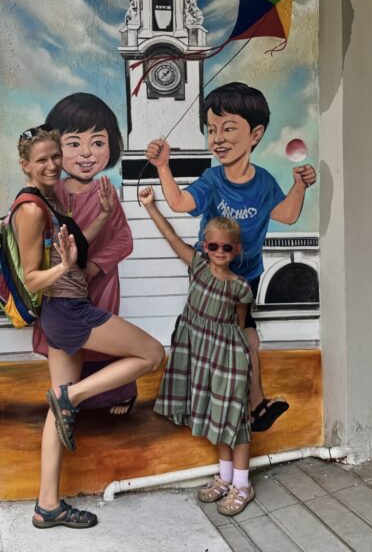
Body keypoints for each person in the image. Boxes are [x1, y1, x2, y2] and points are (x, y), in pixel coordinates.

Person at [13, 126, 164, 530]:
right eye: (41, 159)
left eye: (53, 157)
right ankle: (72, 395)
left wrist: (100, 216)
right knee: (152, 355)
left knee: (57, 408)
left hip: (65, 312)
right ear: (25, 164)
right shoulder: (30, 209)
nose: (51, 165)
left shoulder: (50, 201)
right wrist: (62, 268)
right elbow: (31, 278)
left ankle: (47, 506)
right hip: (69, 313)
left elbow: (78, 246)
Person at [146, 82, 316, 431]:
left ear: (255, 134)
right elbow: (180, 204)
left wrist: (300, 185)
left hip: (246, 279)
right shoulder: (212, 179)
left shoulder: (265, 181)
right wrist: (164, 167)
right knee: (234, 339)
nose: (217, 138)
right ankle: (246, 407)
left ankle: (251, 407)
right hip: (211, 278)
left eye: (227, 128)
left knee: (243, 339)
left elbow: (286, 215)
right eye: (211, 130)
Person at [140, 185, 255, 516]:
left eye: (227, 247)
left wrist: (247, 370)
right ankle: (225, 478)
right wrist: (150, 206)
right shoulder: (198, 266)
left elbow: (239, 326)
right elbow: (173, 238)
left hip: (229, 358)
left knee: (236, 420)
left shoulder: (240, 287)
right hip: (201, 353)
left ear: (236, 250)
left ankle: (242, 485)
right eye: (214, 245)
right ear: (205, 246)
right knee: (217, 418)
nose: (220, 251)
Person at [36, 92, 138, 416]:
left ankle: (118, 393)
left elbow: (124, 239)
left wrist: (95, 266)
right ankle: (72, 398)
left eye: (97, 143)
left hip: (99, 283)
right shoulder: (51, 194)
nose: (86, 154)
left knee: (104, 342)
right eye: (74, 143)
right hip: (62, 287)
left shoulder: (106, 193)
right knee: (70, 343)